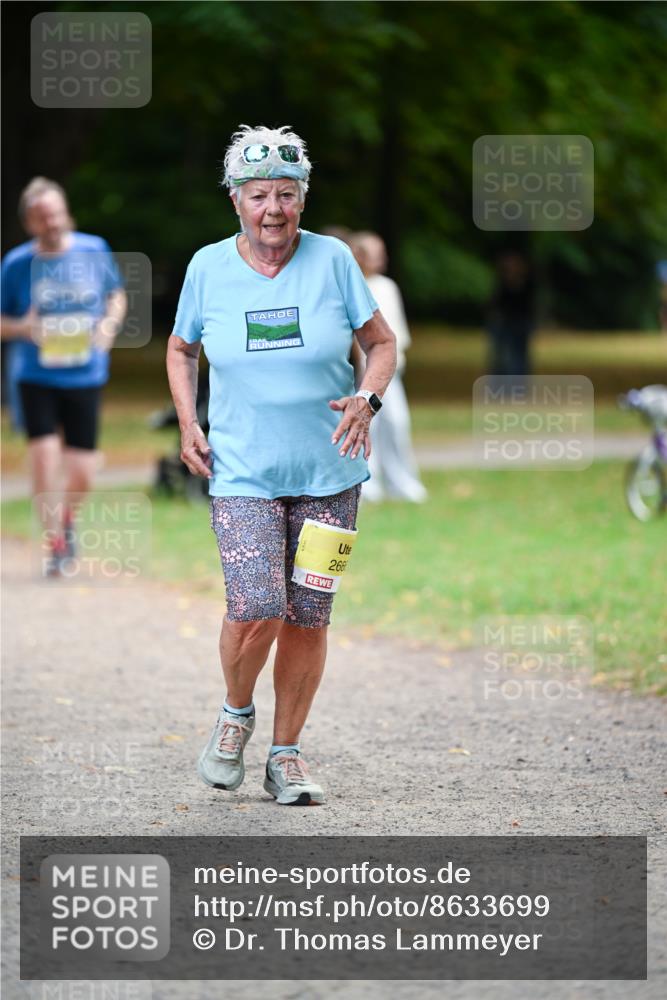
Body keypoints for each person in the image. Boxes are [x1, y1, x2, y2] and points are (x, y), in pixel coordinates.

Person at [166, 124, 396, 806]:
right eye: (259, 195)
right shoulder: (207, 267)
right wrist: (187, 421)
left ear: (302, 198)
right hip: (241, 471)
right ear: (235, 199)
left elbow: (379, 345)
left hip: (331, 470)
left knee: (308, 615)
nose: (274, 209)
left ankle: (286, 755)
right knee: (255, 604)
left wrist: (367, 398)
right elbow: (181, 350)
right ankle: (236, 715)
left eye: (287, 195)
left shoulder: (331, 261)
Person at [0, 177, 127, 575]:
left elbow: (116, 296)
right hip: (35, 375)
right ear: (30, 224)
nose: (52, 222)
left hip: (84, 375)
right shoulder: (18, 264)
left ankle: (65, 521)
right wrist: (24, 328)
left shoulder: (94, 248)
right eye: (42, 217)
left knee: (83, 470)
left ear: (65, 212)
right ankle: (55, 542)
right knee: (43, 458)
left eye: (55, 213)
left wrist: (108, 327)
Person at [350, 231, 427, 503]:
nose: (381, 259)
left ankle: (402, 481)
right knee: (367, 424)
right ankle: (368, 483)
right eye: (374, 253)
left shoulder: (387, 286)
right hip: (363, 371)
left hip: (390, 372)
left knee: (396, 423)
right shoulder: (353, 286)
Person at [486, 249, 536, 388]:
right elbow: (495, 303)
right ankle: (498, 387)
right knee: (500, 357)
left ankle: (517, 387)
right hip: (503, 324)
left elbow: (527, 304)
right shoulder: (501, 282)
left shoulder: (527, 282)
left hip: (521, 323)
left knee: (519, 357)